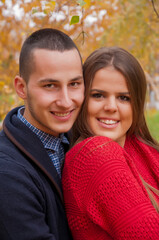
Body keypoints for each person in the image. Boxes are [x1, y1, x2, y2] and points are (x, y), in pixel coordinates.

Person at [62, 47, 159, 239]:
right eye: (98, 95)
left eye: (124, 98)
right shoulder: (94, 155)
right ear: (82, 98)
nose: (111, 107)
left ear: (137, 104)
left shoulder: (137, 145)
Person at [0, 28, 84, 239]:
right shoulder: (6, 172)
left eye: (74, 84)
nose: (66, 101)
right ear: (21, 88)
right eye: (50, 85)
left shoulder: (81, 139)